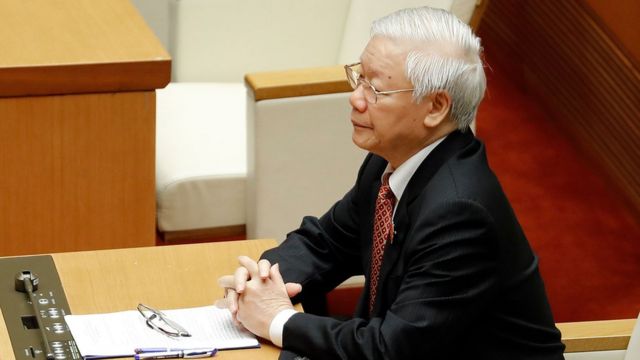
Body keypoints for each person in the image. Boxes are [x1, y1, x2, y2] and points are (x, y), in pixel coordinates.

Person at [217, 6, 565, 360]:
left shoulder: (460, 212)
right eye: (359, 78)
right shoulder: (390, 163)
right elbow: (327, 243)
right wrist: (260, 281)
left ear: (436, 106)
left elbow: (390, 349)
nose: (355, 98)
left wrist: (277, 320)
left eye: (376, 89)